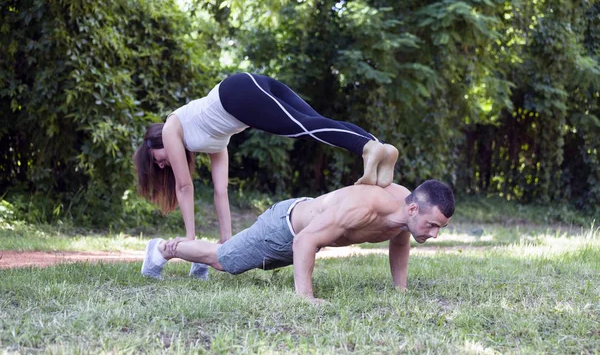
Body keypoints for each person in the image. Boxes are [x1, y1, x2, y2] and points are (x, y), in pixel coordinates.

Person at [134, 73, 399, 278]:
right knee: (315, 122)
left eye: (156, 162)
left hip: (236, 94)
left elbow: (184, 187)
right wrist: (226, 240)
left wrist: (190, 239)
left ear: (154, 143)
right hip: (242, 90)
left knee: (304, 127)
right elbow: (220, 191)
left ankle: (366, 147)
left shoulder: (171, 129)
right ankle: (379, 147)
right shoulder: (210, 140)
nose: (161, 165)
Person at [141, 179, 455, 303]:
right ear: (414, 209)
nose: (434, 233)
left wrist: (400, 290)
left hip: (307, 225)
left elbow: (399, 242)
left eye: (439, 227)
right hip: (285, 229)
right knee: (224, 260)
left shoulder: (404, 211)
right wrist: (306, 297)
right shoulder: (365, 206)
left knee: (227, 255)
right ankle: (162, 248)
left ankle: (192, 256)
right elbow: (304, 241)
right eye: (431, 225)